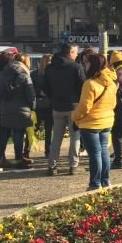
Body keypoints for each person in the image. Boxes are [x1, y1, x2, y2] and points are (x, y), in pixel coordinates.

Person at [72, 53, 117, 191]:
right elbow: (113, 103)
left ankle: (95, 183)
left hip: (90, 123)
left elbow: (85, 106)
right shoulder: (111, 82)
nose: (85, 66)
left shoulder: (90, 83)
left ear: (92, 65)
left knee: (95, 154)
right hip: (107, 121)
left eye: (87, 63)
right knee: (103, 151)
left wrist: (74, 116)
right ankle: (105, 180)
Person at [44, 43, 85, 176]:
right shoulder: (75, 67)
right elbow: (83, 86)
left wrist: (53, 98)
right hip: (73, 106)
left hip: (57, 106)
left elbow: (46, 87)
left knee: (56, 137)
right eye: (75, 52)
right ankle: (73, 165)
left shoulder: (50, 68)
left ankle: (52, 165)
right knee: (75, 136)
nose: (77, 54)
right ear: (69, 53)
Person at [0, 51, 35, 170]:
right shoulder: (25, 75)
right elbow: (31, 96)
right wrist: (33, 108)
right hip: (21, 109)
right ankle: (18, 159)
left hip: (4, 108)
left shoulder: (0, 75)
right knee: (19, 134)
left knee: (3, 134)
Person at [32, 54, 53, 160]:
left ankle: (48, 151)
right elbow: (31, 88)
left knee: (49, 130)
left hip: (50, 105)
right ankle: (26, 150)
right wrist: (39, 92)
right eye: (47, 61)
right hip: (40, 104)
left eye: (50, 61)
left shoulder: (54, 73)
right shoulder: (35, 74)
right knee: (34, 129)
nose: (48, 63)